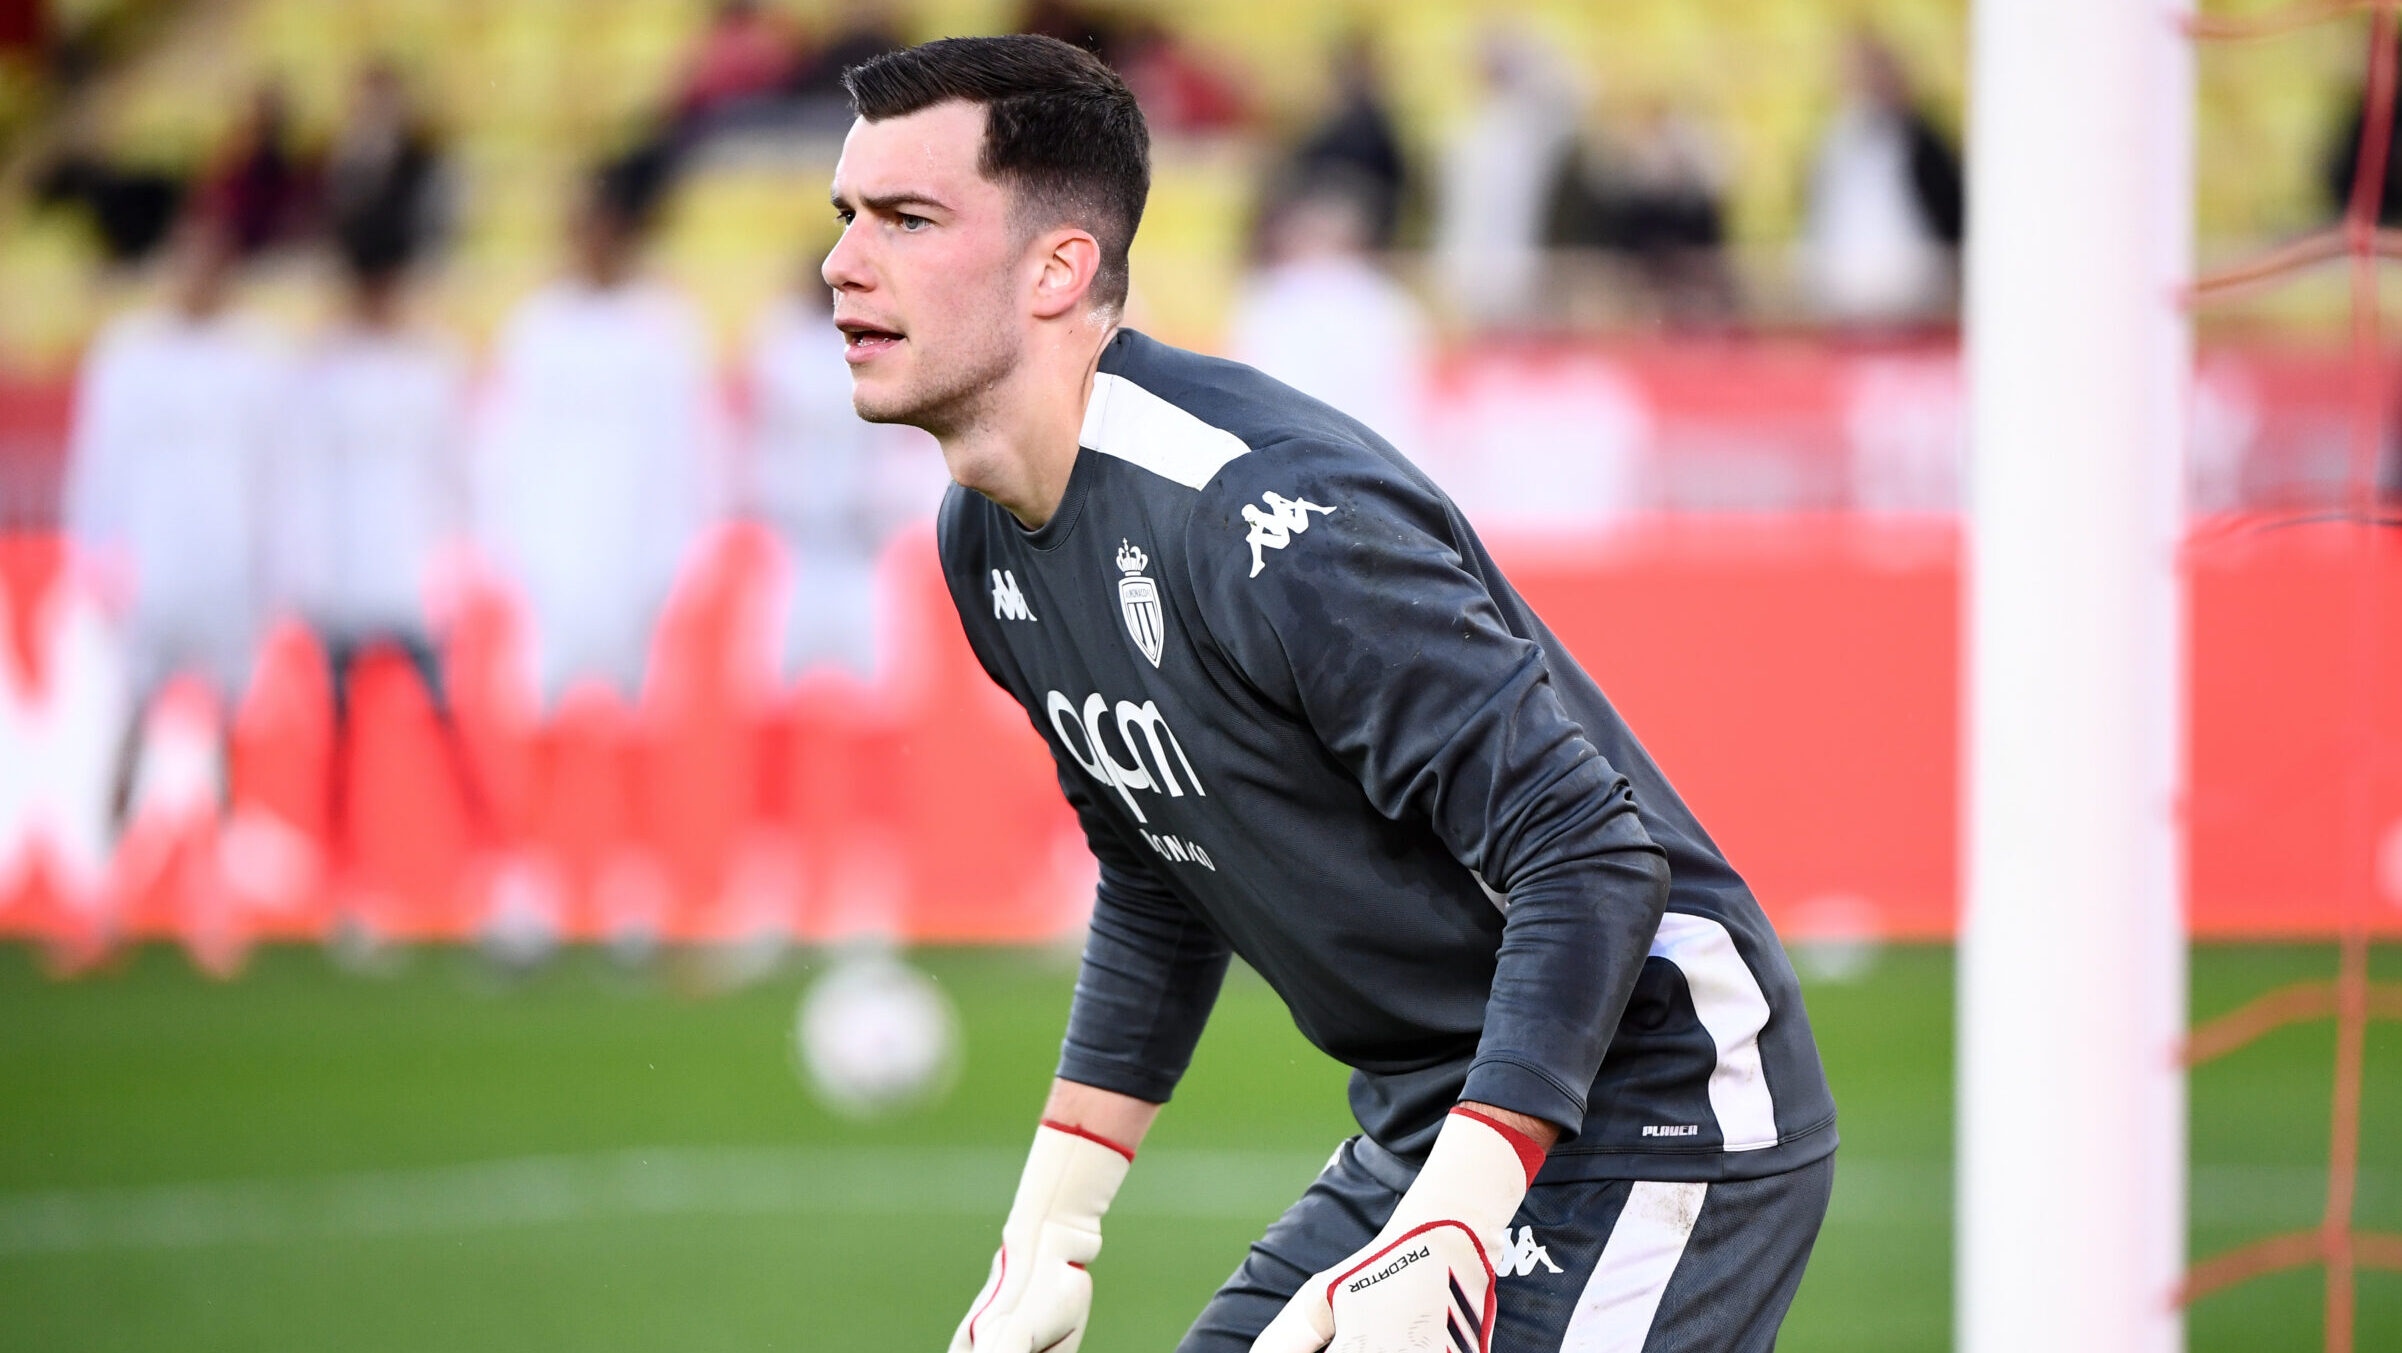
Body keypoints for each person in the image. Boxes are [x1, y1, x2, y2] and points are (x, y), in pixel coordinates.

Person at [824, 36, 1835, 1353]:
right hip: (1438, 1117)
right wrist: (1051, 1233)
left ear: (1057, 268)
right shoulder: (984, 540)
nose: (842, 264)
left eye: (907, 219)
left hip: (1657, 1104)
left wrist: (1456, 1217)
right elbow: (1154, 863)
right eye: (845, 217)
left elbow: (1588, 852)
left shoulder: (1264, 522)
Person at [1795, 32, 1963, 330]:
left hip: (1915, 291)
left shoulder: (1923, 141)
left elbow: (1950, 210)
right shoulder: (1833, 140)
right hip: (1844, 294)